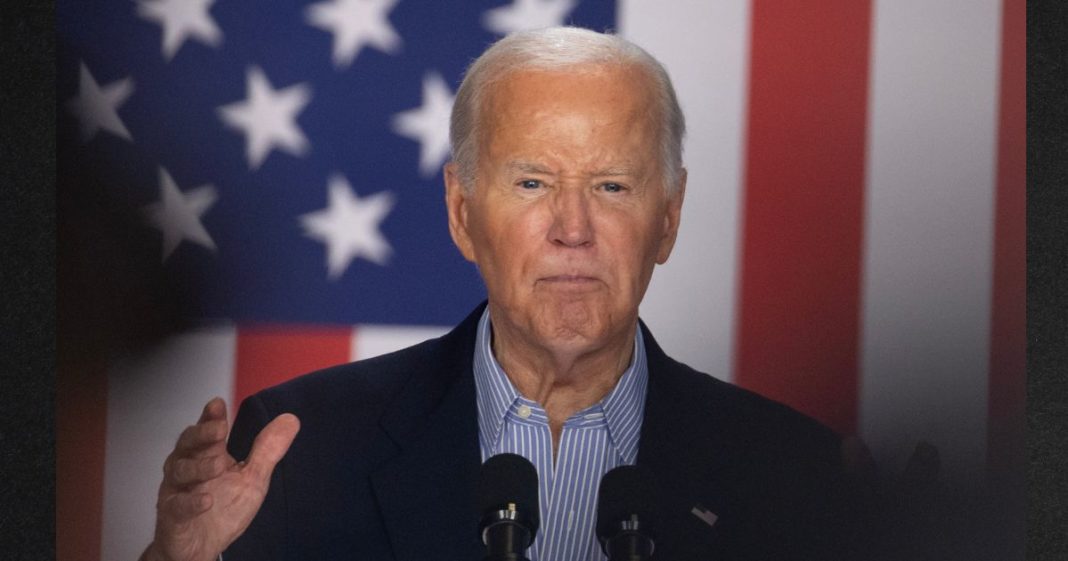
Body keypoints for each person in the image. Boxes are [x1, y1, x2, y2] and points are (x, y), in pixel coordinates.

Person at [139, 27, 862, 561]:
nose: (573, 229)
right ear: (462, 213)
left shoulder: (793, 475)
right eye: (533, 184)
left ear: (667, 219)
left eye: (612, 186)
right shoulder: (299, 453)